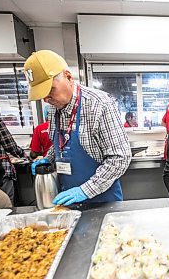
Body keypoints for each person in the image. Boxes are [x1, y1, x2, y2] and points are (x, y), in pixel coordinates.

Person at [25, 50, 131, 206]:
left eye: (50, 90)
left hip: (102, 201)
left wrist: (84, 191)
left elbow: (120, 158)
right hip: (66, 199)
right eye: (42, 95)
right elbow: (60, 143)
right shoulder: (55, 107)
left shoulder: (99, 104)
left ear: (68, 77)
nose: (46, 99)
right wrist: (49, 158)